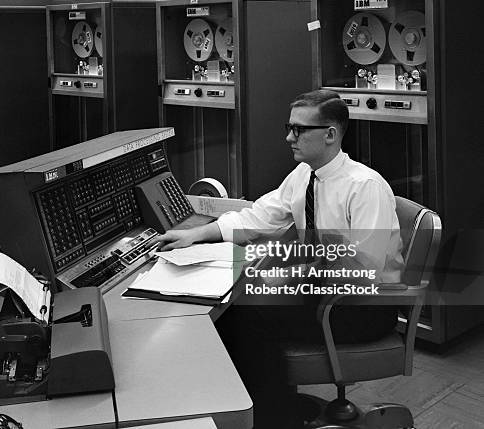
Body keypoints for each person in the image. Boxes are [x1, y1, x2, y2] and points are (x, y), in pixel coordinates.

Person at [155, 89, 404, 425]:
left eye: (299, 129)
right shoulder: (305, 175)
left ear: (331, 134)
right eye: (289, 127)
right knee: (237, 311)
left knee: (246, 319)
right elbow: (260, 216)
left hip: (364, 307)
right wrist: (197, 233)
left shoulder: (365, 187)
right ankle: (272, 407)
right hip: (325, 294)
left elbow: (361, 269)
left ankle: (274, 418)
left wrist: (293, 275)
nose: (290, 137)